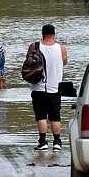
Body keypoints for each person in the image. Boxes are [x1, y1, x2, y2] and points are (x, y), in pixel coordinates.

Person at [28, 24, 68, 152]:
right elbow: (64, 62)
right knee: (55, 116)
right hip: (55, 88)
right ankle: (57, 142)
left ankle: (43, 142)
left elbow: (28, 63)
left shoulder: (35, 46)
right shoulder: (61, 48)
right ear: (54, 34)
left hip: (38, 87)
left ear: (42, 33)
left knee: (41, 116)